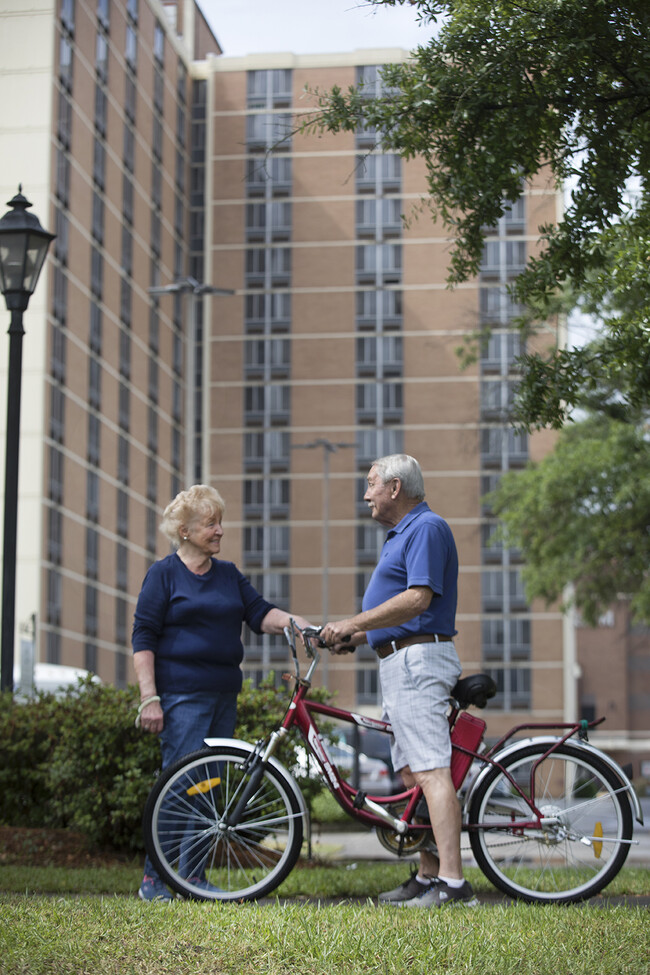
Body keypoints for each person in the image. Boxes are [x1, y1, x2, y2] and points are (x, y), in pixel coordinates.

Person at [132, 483, 312, 902]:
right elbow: (143, 638)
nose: (219, 531)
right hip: (180, 698)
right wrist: (149, 697)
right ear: (185, 531)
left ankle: (192, 879)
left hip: (221, 697)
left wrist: (295, 623)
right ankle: (154, 880)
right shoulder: (164, 574)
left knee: (208, 790)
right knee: (178, 786)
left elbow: (260, 613)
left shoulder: (228, 575)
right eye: (210, 524)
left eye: (219, 523)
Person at [320, 454, 478, 909]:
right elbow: (404, 613)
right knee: (413, 774)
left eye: (371, 484)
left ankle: (453, 883)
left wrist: (353, 620)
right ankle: (429, 876)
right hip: (400, 658)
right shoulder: (401, 535)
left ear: (394, 487)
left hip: (418, 661)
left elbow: (416, 599)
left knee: (430, 770)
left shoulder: (426, 527)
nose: (365, 493)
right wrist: (358, 635)